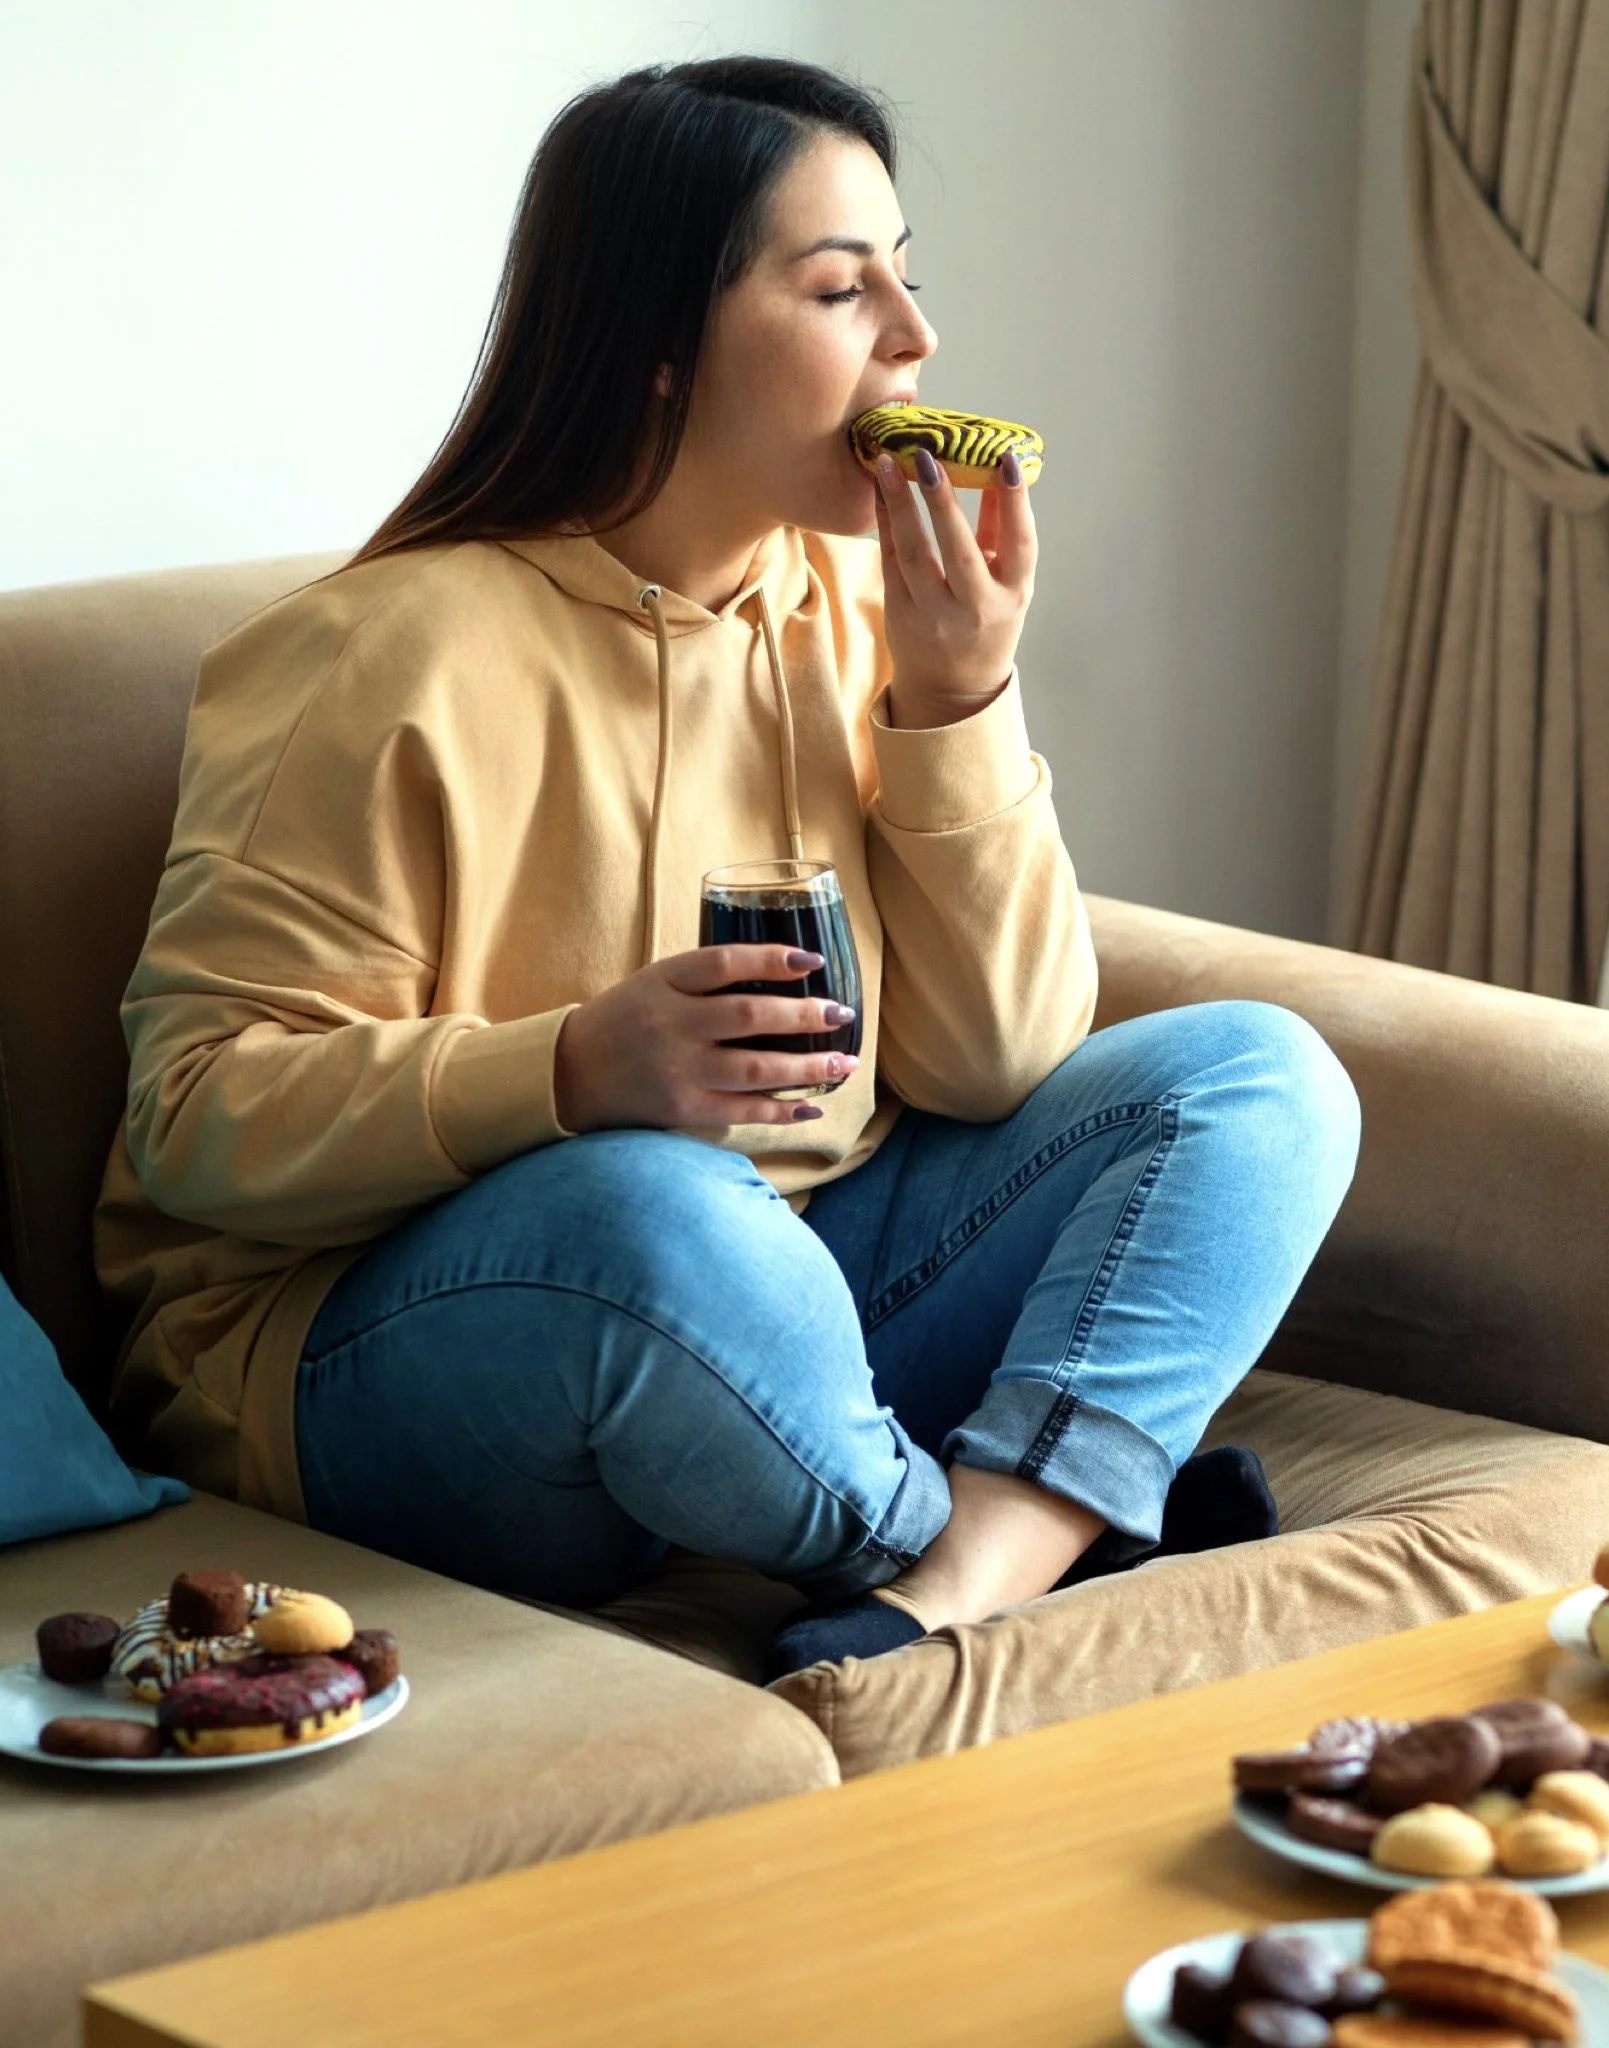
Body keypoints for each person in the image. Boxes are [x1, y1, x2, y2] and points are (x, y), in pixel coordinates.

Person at [95, 56, 1362, 1677]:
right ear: (660, 347)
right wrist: (567, 1068)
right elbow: (194, 1119)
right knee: (658, 1207)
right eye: (844, 289)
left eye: (910, 279)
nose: (913, 339)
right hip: (400, 1355)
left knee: (1259, 1077)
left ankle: (970, 1574)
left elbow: (999, 1064)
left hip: (797, 1295)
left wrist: (957, 701)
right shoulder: (373, 661)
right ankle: (1032, 1528)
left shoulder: (860, 621)